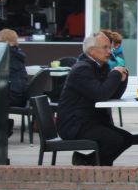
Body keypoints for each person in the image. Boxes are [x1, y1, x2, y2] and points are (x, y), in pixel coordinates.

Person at [56, 32, 132, 166]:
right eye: (105, 47)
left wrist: (121, 79)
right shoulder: (82, 69)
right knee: (114, 140)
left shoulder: (99, 67)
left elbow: (112, 95)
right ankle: (96, 170)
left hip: (90, 121)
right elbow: (100, 94)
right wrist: (114, 74)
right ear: (91, 51)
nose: (110, 51)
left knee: (126, 138)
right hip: (74, 125)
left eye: (110, 47)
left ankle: (87, 162)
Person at [0, 28, 28, 107]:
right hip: (23, 96)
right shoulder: (18, 55)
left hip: (11, 97)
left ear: (6, 42)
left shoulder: (6, 56)